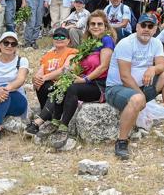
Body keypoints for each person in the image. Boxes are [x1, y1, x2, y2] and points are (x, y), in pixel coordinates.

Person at [105, 13, 164, 160]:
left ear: (155, 29)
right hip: (116, 88)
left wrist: (153, 69)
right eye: (143, 25)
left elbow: (161, 64)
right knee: (137, 100)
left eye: (150, 26)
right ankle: (121, 141)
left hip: (140, 86)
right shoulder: (126, 43)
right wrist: (140, 96)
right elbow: (125, 76)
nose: (146, 29)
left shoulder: (155, 43)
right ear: (137, 27)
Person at [33, 12, 116, 148]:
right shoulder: (88, 44)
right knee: (61, 85)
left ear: (105, 26)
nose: (96, 27)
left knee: (71, 88)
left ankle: (63, 127)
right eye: (92, 24)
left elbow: (103, 67)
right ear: (88, 27)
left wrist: (84, 80)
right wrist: (68, 76)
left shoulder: (107, 40)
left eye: (99, 24)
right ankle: (54, 122)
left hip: (100, 85)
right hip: (87, 82)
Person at [28, 27, 77, 130]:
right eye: (56, 36)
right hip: (48, 85)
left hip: (62, 86)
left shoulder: (72, 52)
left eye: (62, 36)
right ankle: (47, 114)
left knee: (55, 88)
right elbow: (40, 71)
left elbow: (65, 70)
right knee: (40, 83)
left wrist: (44, 77)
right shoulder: (48, 55)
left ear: (68, 40)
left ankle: (38, 121)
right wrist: (36, 79)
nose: (59, 38)